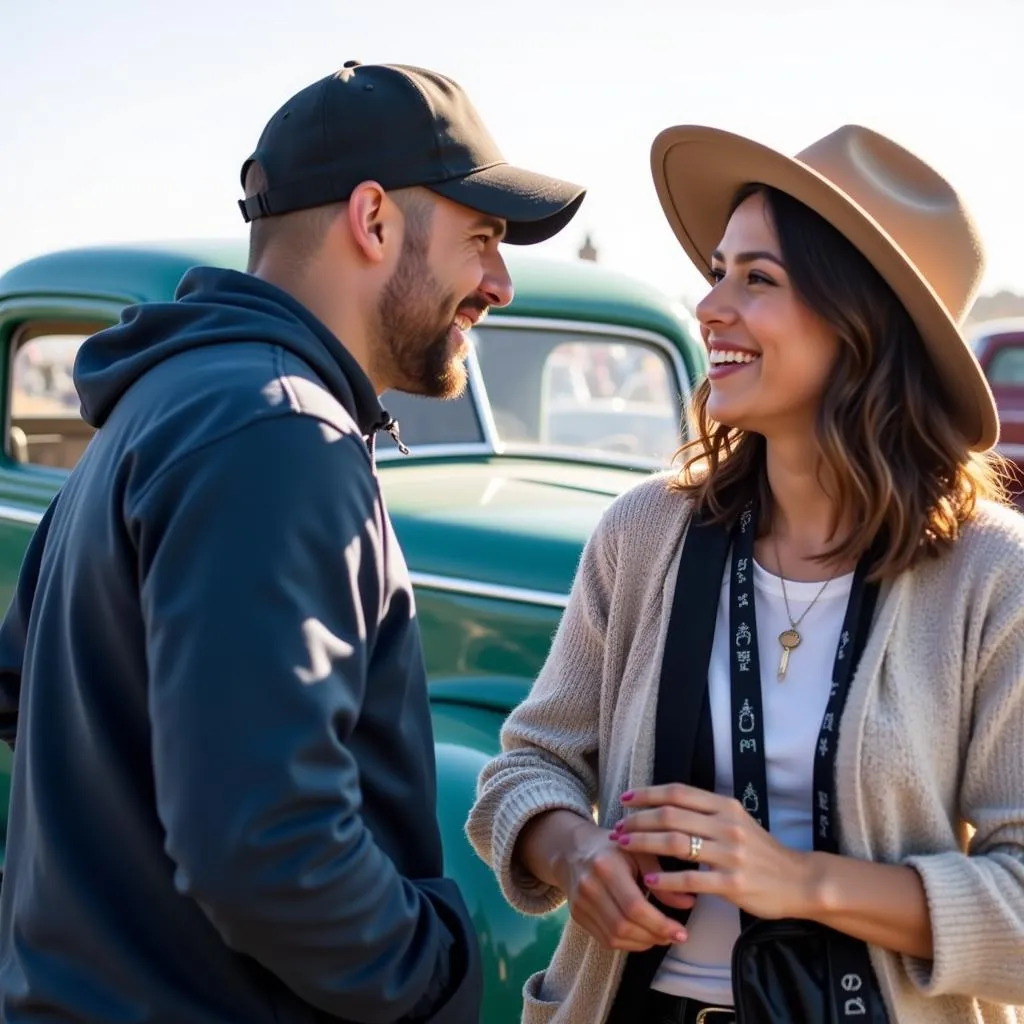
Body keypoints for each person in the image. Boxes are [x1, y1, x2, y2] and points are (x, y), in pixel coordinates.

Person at [0, 62, 584, 1024]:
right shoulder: (280, 434)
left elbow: (28, 691)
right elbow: (263, 842)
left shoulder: (167, 399)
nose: (500, 282)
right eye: (481, 237)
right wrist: (435, 976)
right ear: (373, 219)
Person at [467, 123, 1024, 1024]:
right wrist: (576, 856)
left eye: (756, 280)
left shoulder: (993, 577)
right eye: (718, 271)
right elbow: (523, 771)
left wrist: (798, 880)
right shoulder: (645, 531)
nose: (710, 306)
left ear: (863, 324)